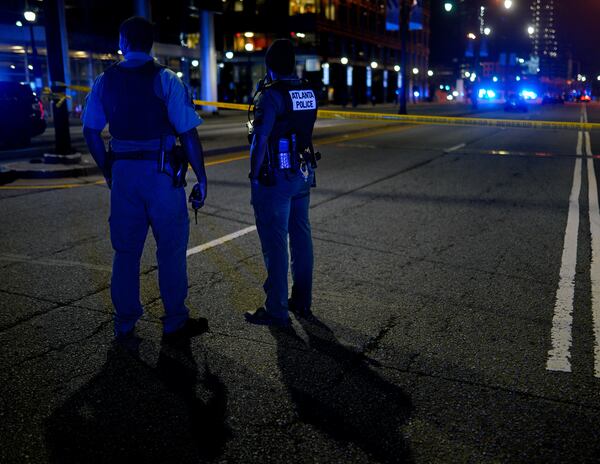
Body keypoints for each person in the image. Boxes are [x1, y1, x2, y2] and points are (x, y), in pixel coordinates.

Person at [83, 16, 208, 342]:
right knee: (170, 250)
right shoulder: (166, 79)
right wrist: (202, 177)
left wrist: (108, 169)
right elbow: (189, 134)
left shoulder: (104, 81)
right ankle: (175, 320)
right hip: (162, 173)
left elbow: (91, 131)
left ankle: (125, 322)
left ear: (123, 42)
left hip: (124, 172)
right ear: (150, 44)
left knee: (125, 251)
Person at [245, 39, 319, 327]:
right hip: (303, 172)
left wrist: (254, 177)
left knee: (275, 243)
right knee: (301, 238)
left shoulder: (271, 96)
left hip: (275, 175)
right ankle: (302, 301)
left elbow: (260, 139)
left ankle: (276, 310)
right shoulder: (308, 92)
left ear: (270, 65)